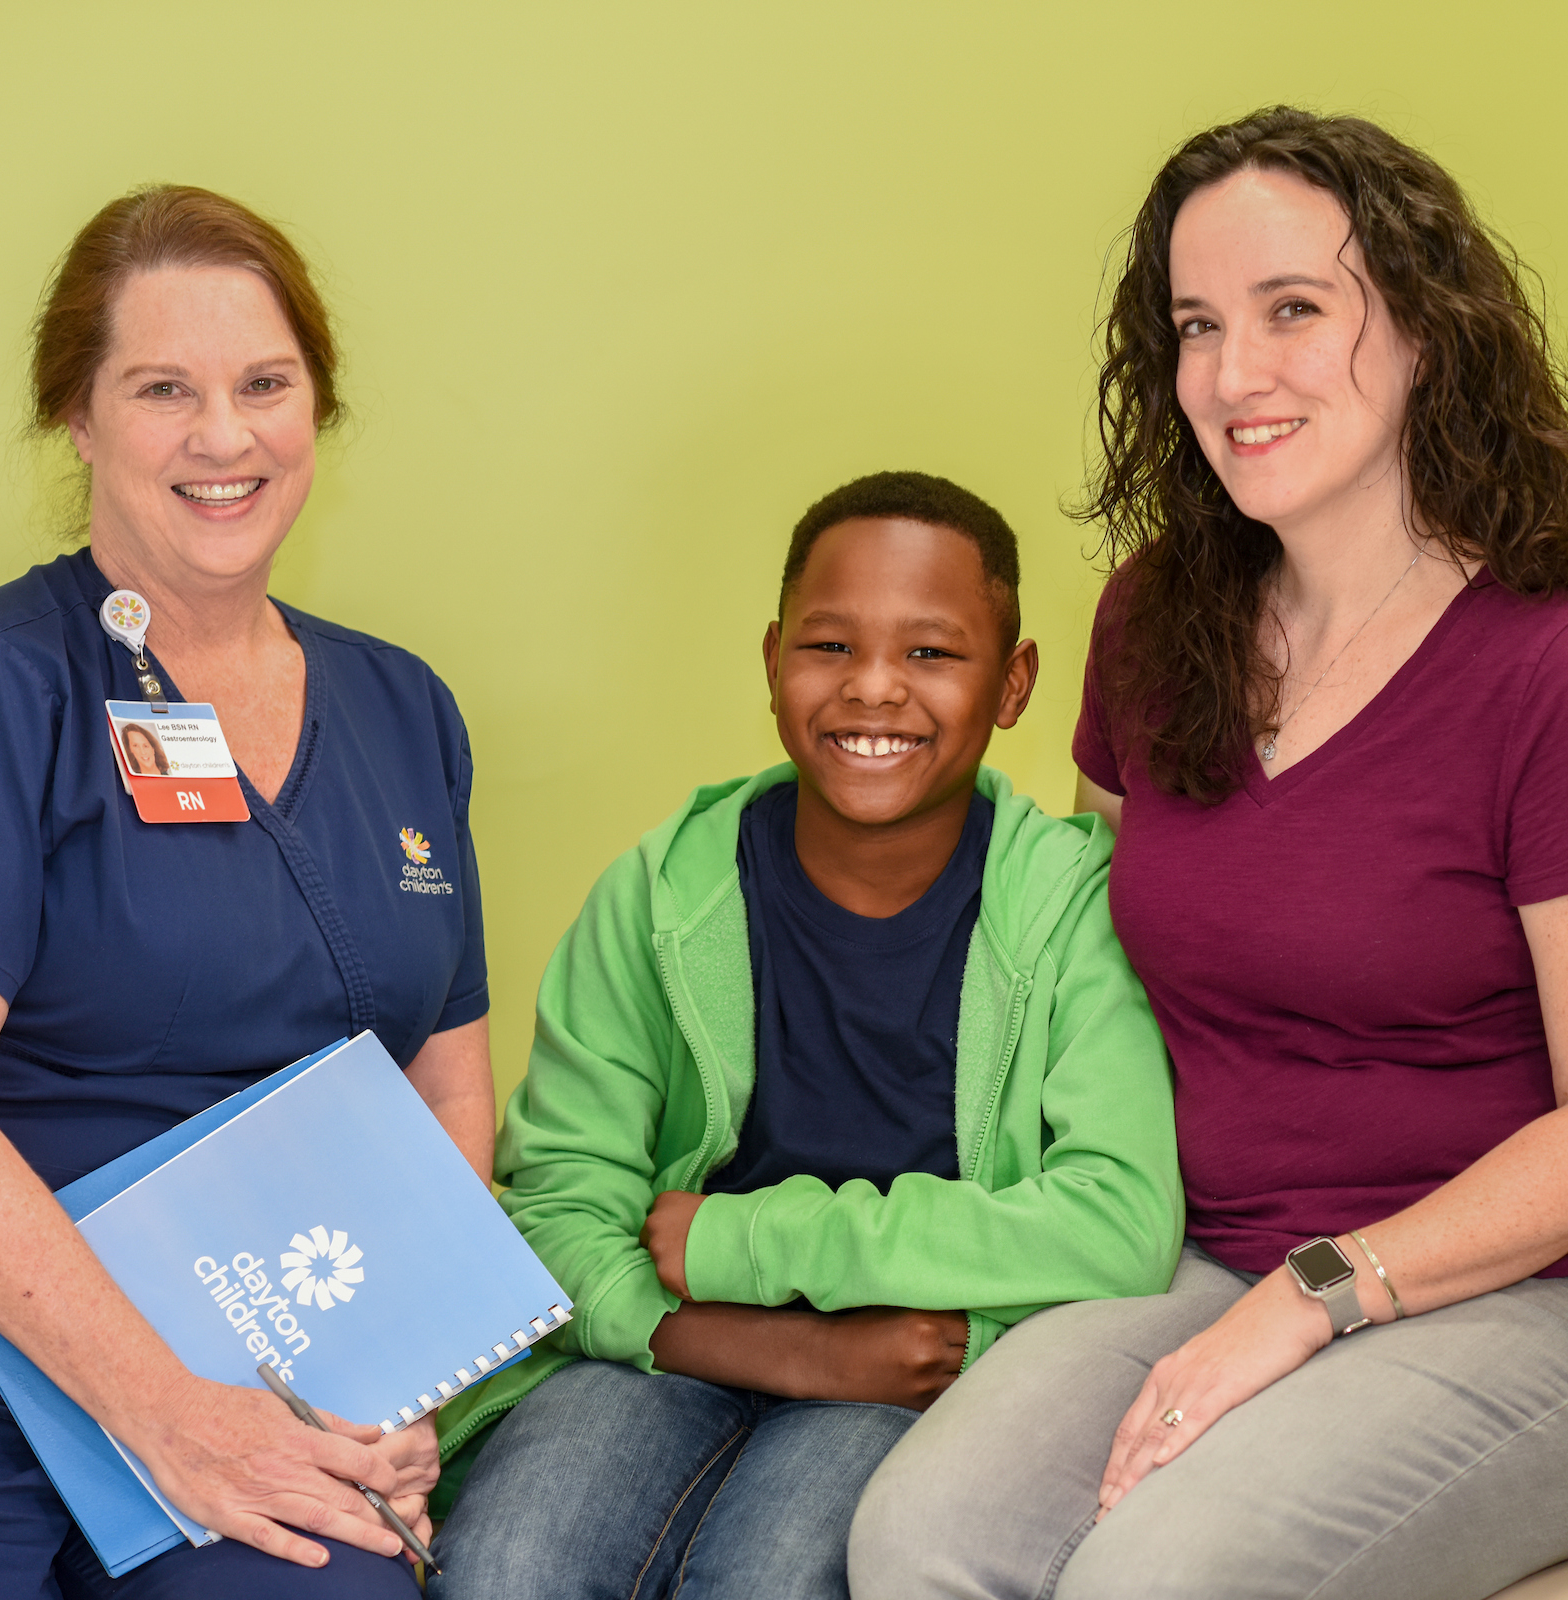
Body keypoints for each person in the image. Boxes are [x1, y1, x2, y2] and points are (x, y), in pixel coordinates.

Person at [851, 109, 1568, 1600]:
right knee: (917, 1540)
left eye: (1295, 311)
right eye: (1198, 325)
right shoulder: (1155, 621)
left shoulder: (1557, 670)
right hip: (1221, 1256)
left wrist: (1318, 1295)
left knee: (1154, 1585)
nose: (1232, 374)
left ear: (1426, 334)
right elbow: (1095, 966)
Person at [0, 186, 496, 1598]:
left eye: (264, 384)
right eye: (163, 390)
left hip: (240, 1361)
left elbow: (443, 1095)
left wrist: (390, 1388)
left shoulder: (403, 709)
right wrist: (169, 1418)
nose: (225, 437)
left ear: (317, 407)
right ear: (78, 420)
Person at [428, 472, 1182, 1600]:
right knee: (504, 1565)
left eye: (932, 652)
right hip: (671, 1334)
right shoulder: (660, 894)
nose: (873, 686)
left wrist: (749, 1243)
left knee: (771, 1580)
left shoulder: (1076, 908)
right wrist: (785, 1344)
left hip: (912, 1362)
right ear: (774, 659)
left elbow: (1119, 1222)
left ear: (1015, 683)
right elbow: (556, 1211)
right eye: (830, 645)